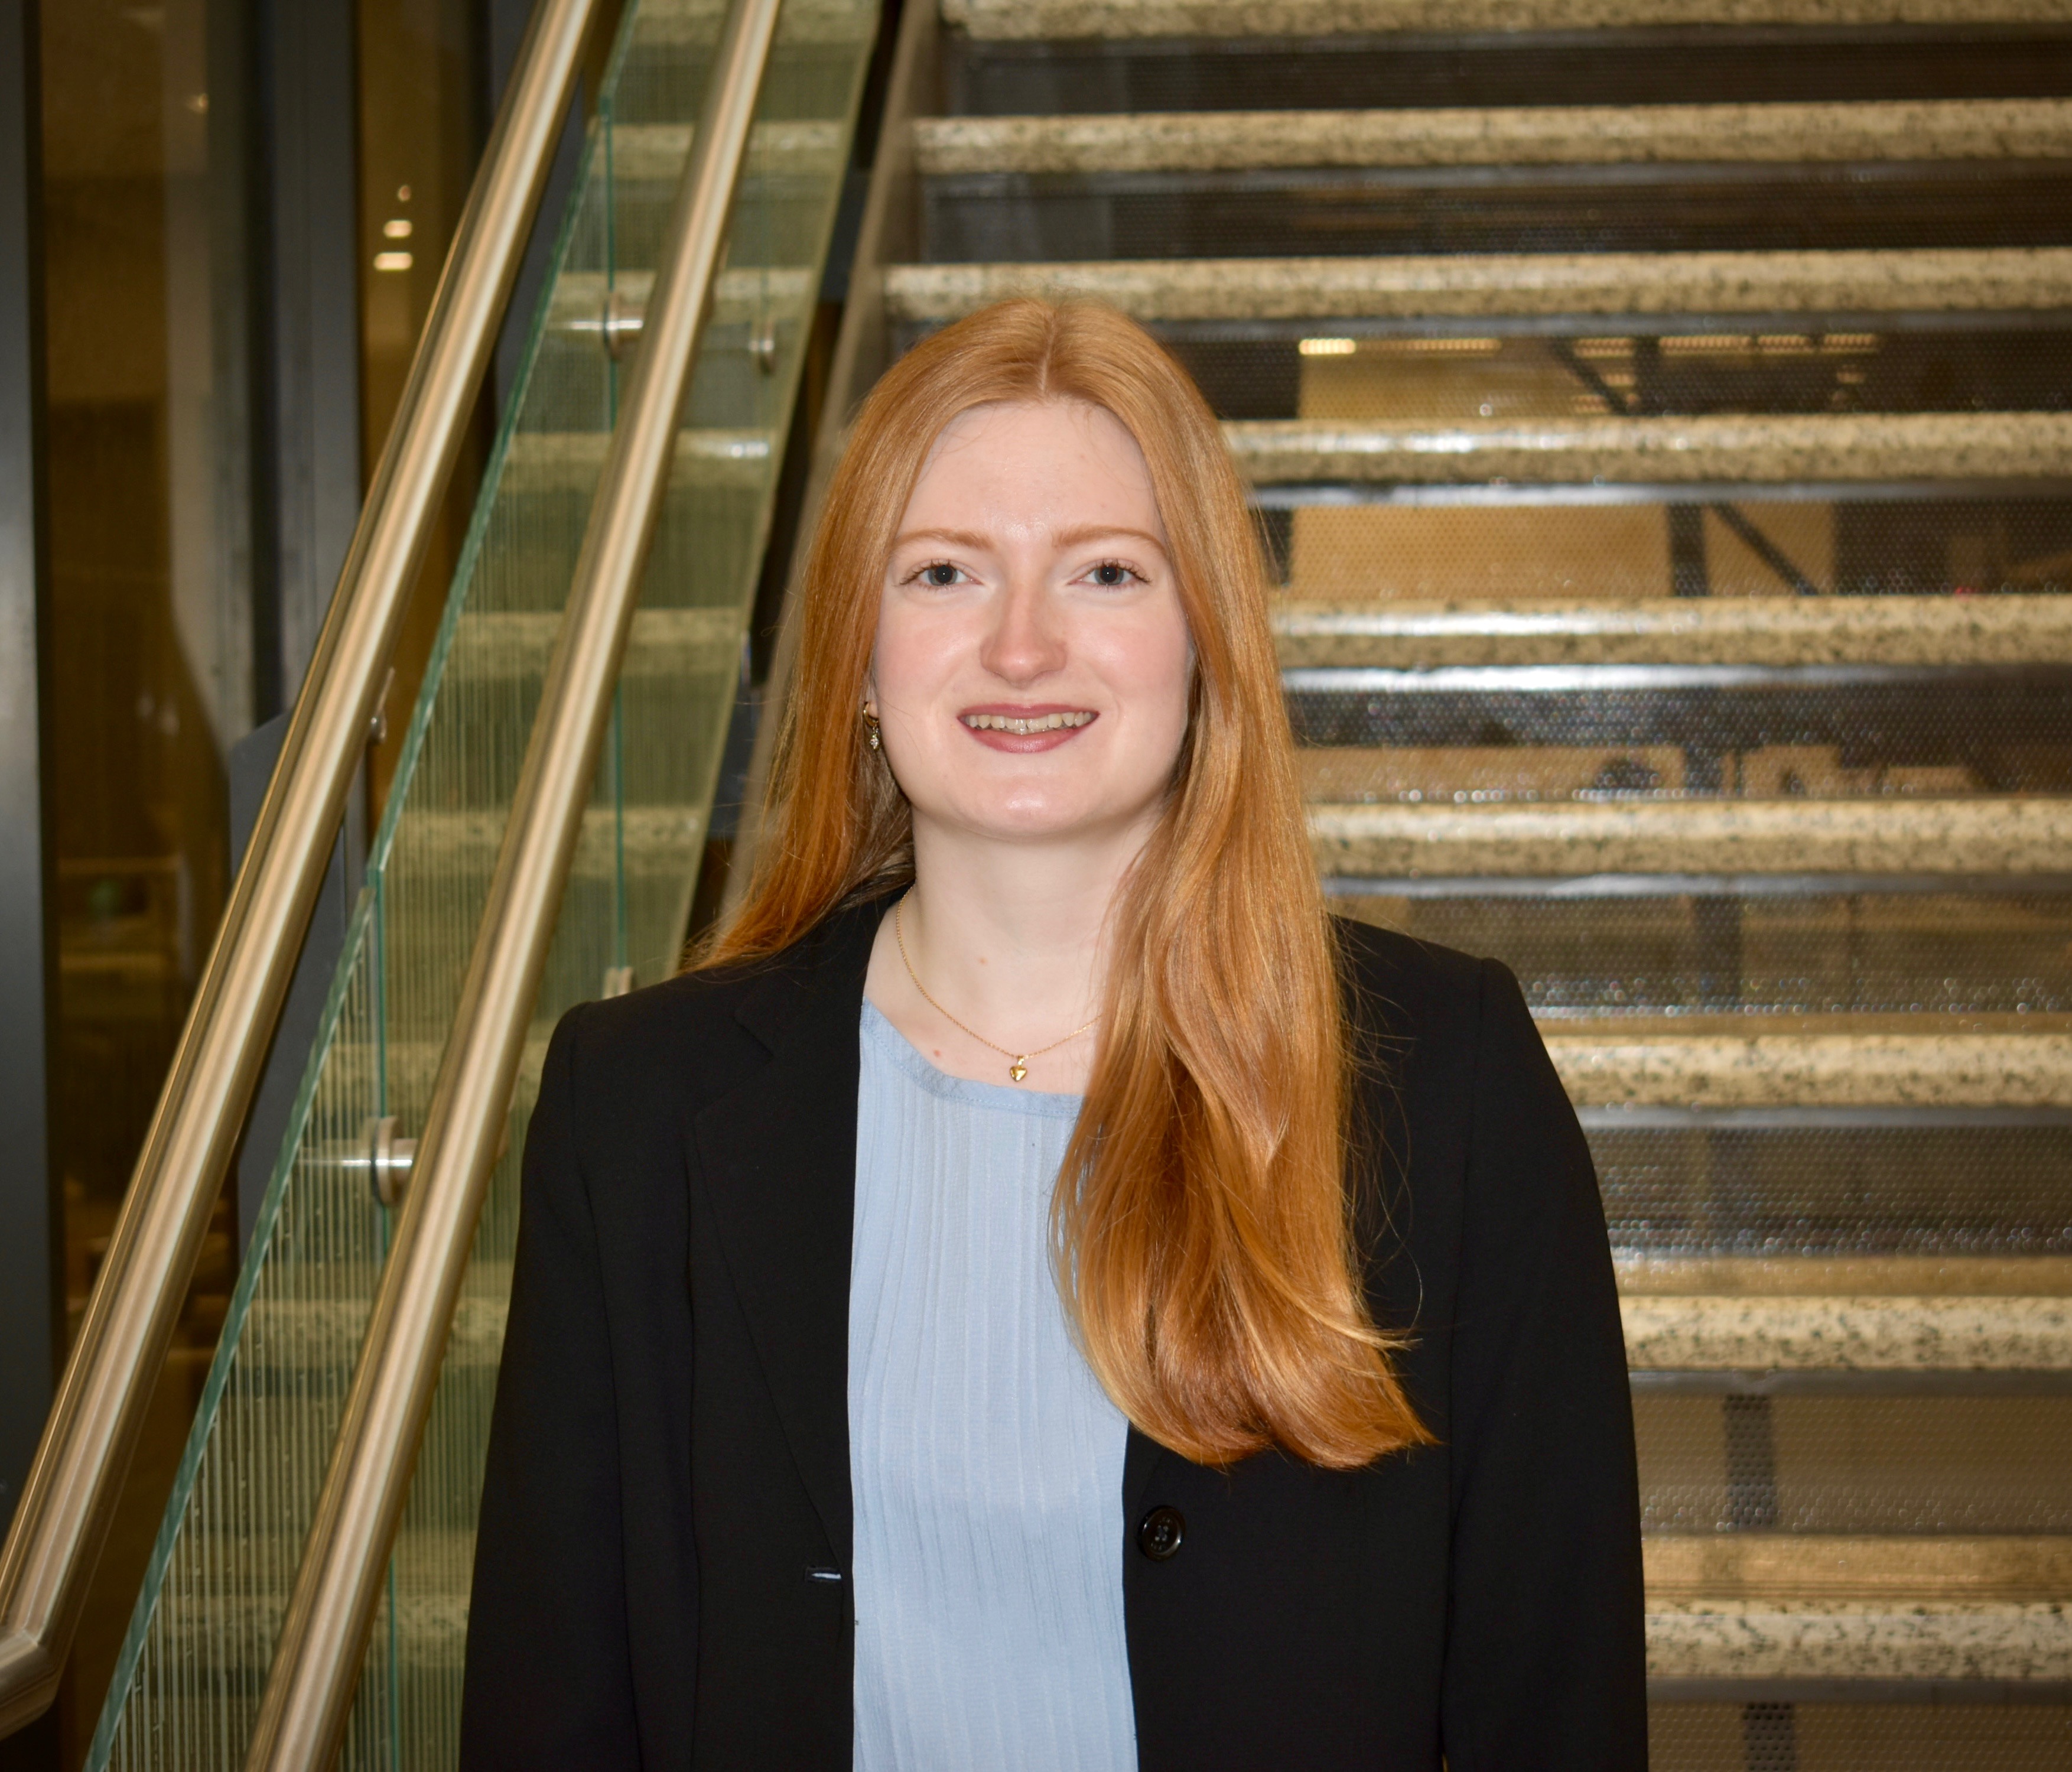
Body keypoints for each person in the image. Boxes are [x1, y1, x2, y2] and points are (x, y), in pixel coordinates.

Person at [458, 300, 1647, 1771]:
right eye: (946, 571)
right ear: (858, 656)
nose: (1021, 647)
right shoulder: (633, 1109)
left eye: (1103, 571)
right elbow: (550, 1701)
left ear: (1205, 637)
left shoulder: (1442, 1079)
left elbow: (1551, 1694)